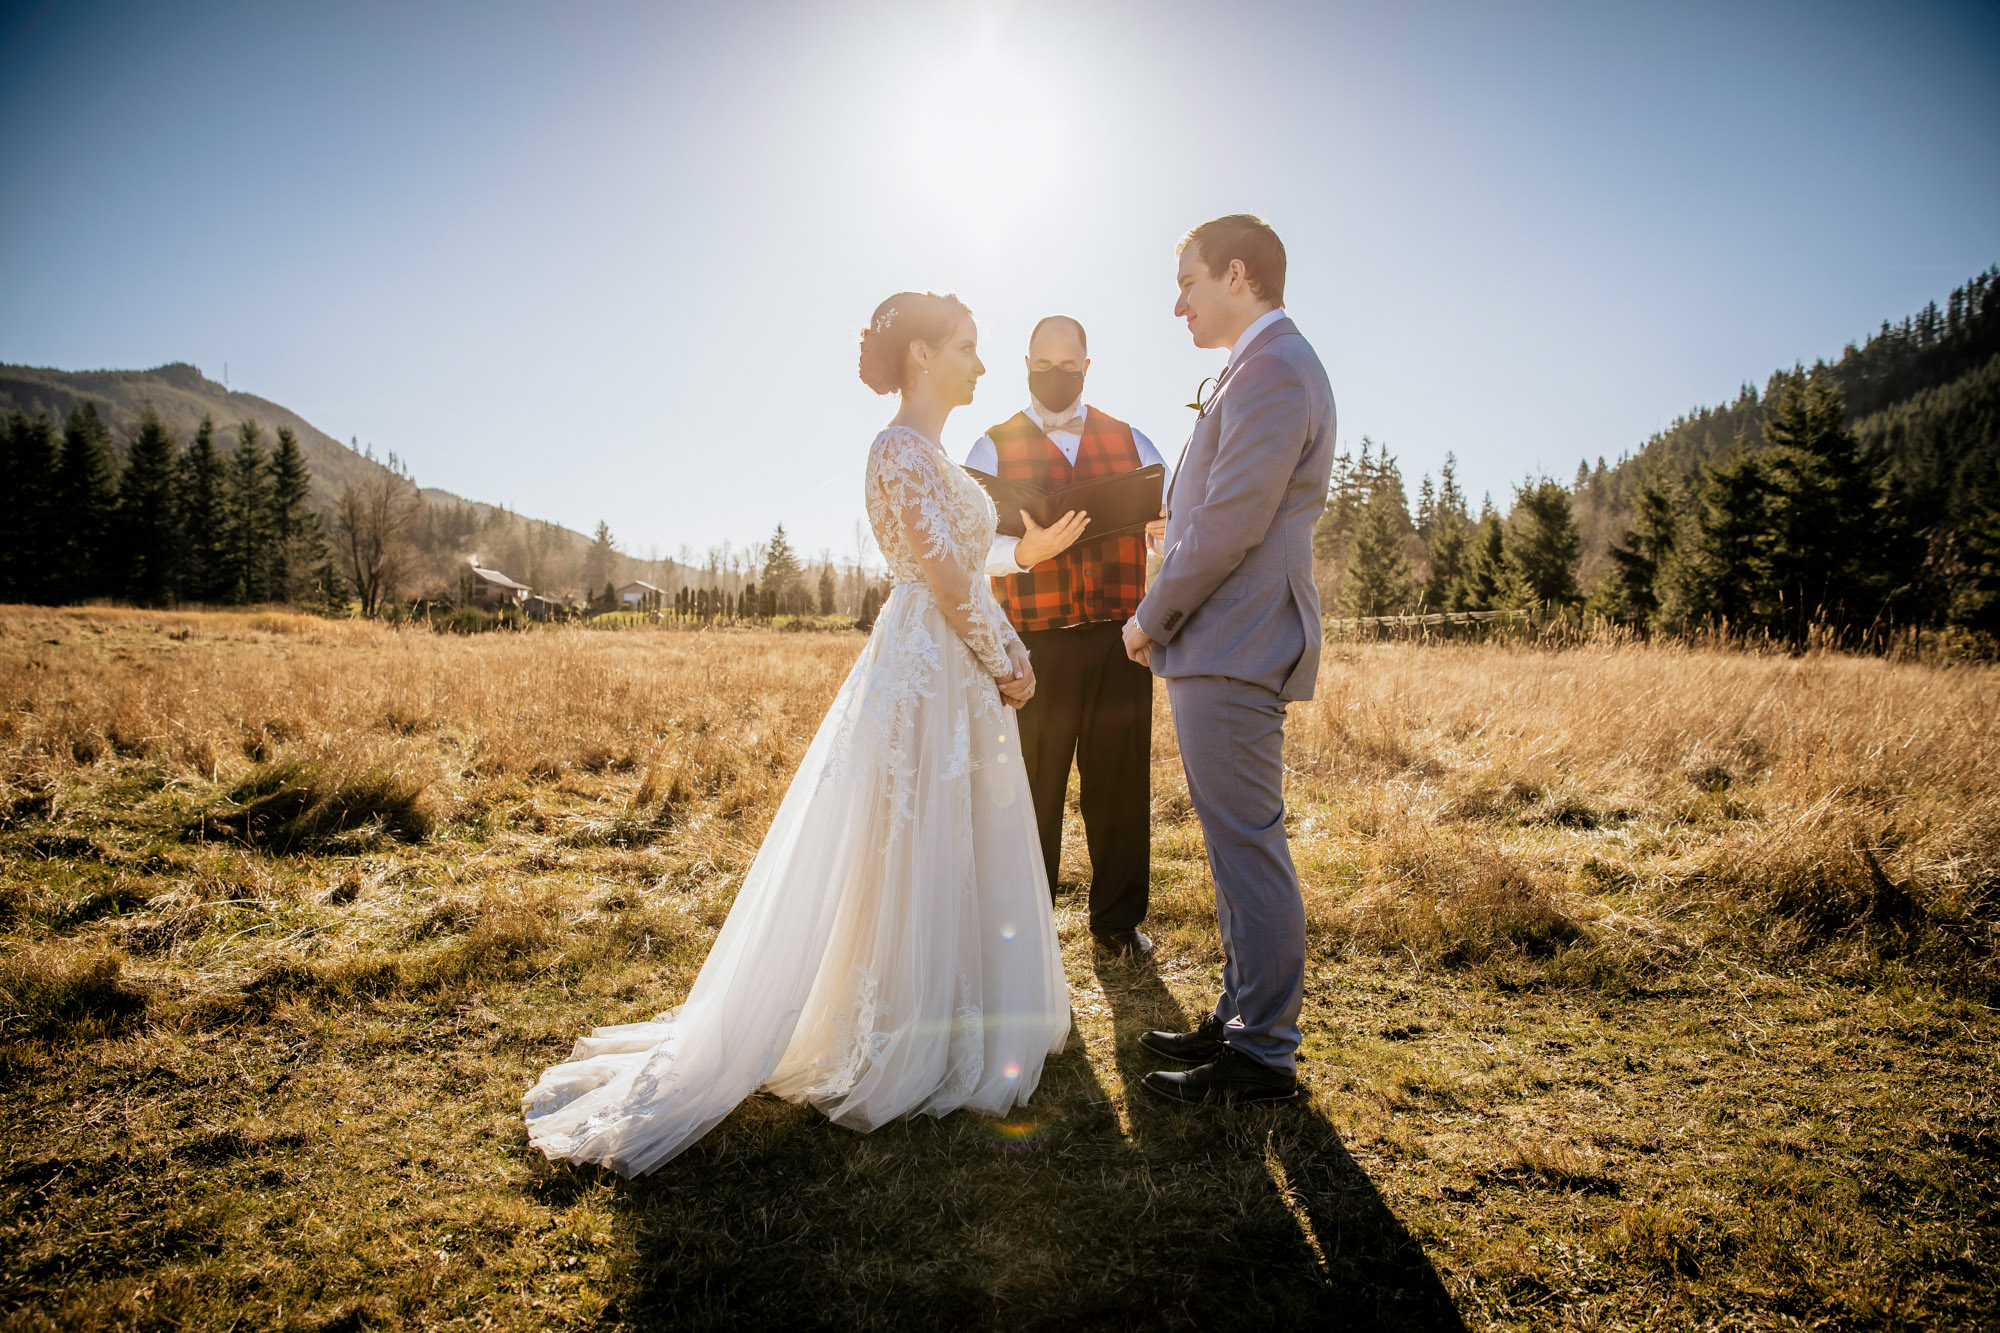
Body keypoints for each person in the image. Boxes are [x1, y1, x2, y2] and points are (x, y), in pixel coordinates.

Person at [522, 293, 1070, 1175]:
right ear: (924, 357)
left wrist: (1017, 585)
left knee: (959, 828)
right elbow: (937, 568)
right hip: (933, 659)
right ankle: (899, 1024)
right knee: (912, 833)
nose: (981, 362)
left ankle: (964, 1004)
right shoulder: (896, 449)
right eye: (968, 347)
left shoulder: (933, 456)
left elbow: (968, 555)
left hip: (951, 658)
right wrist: (1010, 652)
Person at [1122, 215, 1337, 1106]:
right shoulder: (1256, 367)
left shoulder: (1277, 368)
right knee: (1230, 843)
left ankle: (1264, 1052)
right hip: (1227, 634)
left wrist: (1149, 616)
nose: (1178, 302)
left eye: (1188, 282)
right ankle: (1242, 1015)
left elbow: (1229, 526)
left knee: (1248, 844)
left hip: (1234, 634)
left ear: (1237, 274)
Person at [966, 315, 1170, 959]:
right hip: (1034, 645)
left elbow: (1175, 534)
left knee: (1119, 784)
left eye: (1067, 366)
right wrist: (1024, 550)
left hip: (1120, 639)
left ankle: (1117, 923)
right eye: (1041, 366)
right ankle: (1027, 928)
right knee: (1032, 786)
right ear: (1026, 364)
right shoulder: (989, 449)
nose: (1054, 377)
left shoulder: (1136, 444)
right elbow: (967, 551)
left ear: (1087, 366)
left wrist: (1167, 529)